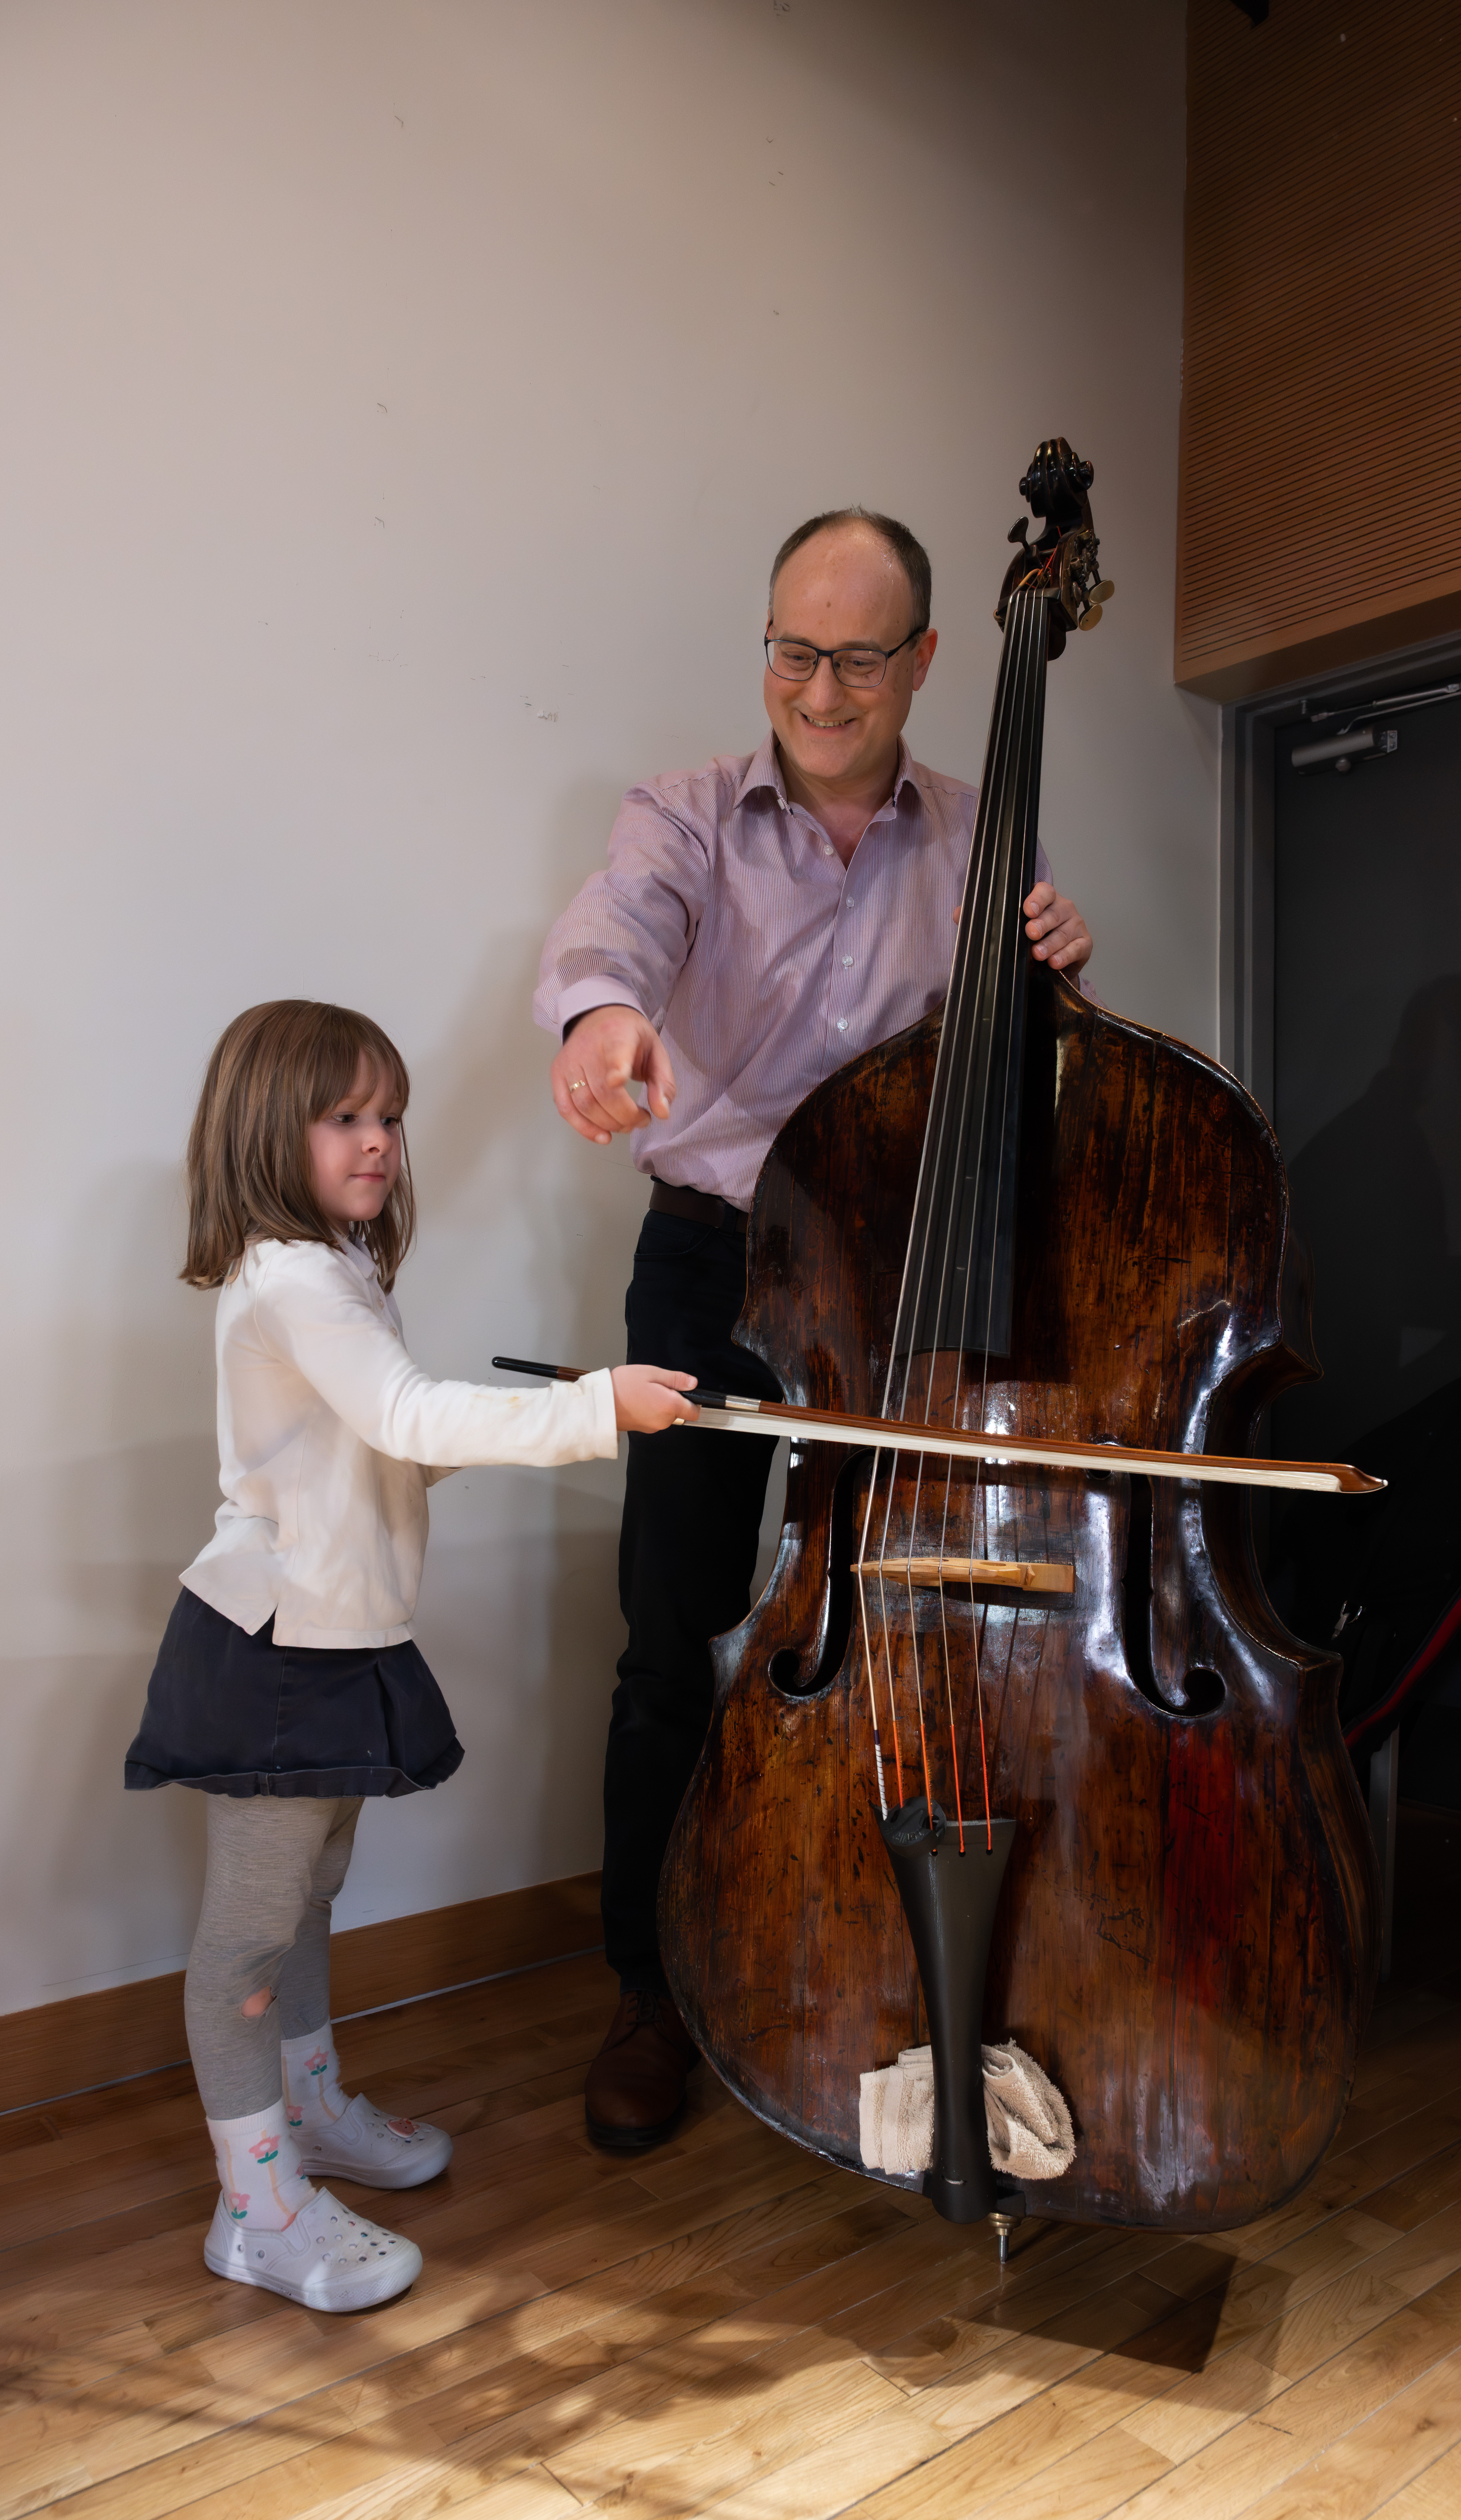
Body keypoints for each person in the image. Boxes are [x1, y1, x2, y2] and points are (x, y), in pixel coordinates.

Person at [533, 507, 1094, 2149]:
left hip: (895, 1278)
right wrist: (608, 1014)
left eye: (858, 654)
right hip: (712, 1259)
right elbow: (616, 929)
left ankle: (872, 1952)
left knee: (901, 1628)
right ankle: (650, 1985)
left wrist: (1057, 975)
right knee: (676, 1632)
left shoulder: (987, 838)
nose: (823, 687)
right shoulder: (687, 816)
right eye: (794, 648)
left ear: (925, 661)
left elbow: (1026, 1089)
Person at [125, 999, 697, 2312]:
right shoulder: (290, 1276)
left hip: (337, 1635)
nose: (379, 1141)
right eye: (346, 1118)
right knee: (248, 1943)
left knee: (313, 1895)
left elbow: (393, 1443)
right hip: (273, 1651)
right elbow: (401, 1409)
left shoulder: (337, 1268)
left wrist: (574, 1414)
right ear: (271, 1130)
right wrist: (587, 1405)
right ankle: (254, 2206)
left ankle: (308, 2111)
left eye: (390, 1117)